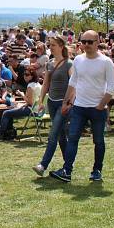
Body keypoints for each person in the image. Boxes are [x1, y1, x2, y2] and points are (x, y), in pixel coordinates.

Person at [50, 30, 114, 183]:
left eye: (89, 42)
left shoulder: (106, 62)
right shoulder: (78, 60)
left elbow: (112, 87)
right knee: (72, 138)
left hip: (97, 109)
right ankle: (67, 170)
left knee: (98, 141)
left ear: (97, 43)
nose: (86, 45)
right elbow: (73, 82)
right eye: (83, 41)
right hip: (79, 107)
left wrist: (100, 105)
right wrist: (66, 102)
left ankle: (97, 170)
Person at [33, 35, 73, 177]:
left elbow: (74, 85)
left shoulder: (69, 64)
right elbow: (46, 84)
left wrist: (68, 102)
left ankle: (43, 165)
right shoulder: (50, 63)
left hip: (63, 104)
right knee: (61, 136)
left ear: (61, 46)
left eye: (53, 45)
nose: (51, 47)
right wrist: (40, 101)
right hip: (52, 102)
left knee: (53, 134)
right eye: (49, 45)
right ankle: (68, 165)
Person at [0, 68, 41, 140]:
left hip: (32, 110)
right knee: (11, 110)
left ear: (32, 76)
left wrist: (22, 94)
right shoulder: (38, 84)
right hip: (38, 110)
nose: (25, 76)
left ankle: (0, 133)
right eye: (24, 74)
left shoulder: (30, 86)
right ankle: (9, 131)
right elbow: (34, 100)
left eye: (27, 75)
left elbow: (30, 102)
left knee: (6, 113)